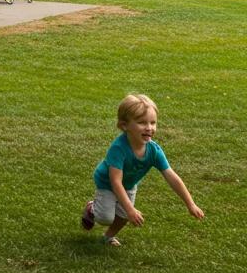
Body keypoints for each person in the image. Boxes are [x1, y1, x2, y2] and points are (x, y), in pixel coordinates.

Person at [80, 94, 204, 247]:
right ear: (124, 126)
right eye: (142, 123)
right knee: (105, 217)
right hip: (108, 183)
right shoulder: (119, 148)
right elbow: (115, 181)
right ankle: (92, 208)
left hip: (129, 184)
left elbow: (171, 176)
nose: (149, 128)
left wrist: (190, 204)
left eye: (153, 123)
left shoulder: (154, 151)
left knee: (124, 214)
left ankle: (108, 236)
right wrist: (130, 208)